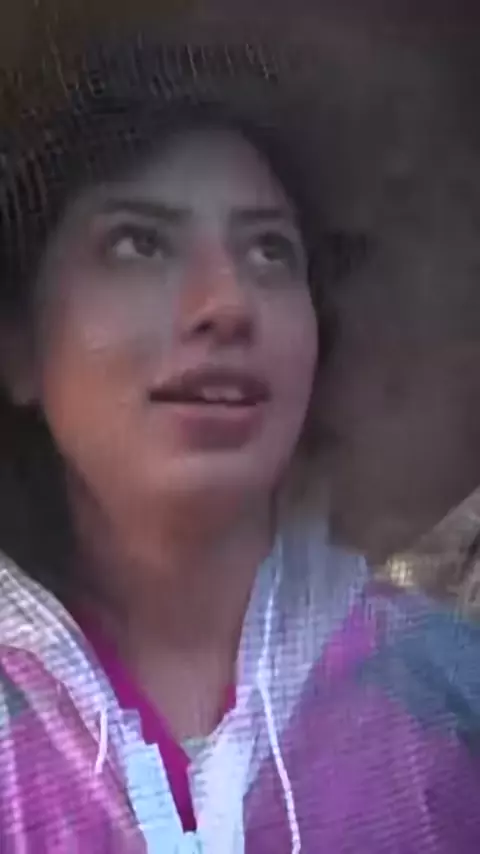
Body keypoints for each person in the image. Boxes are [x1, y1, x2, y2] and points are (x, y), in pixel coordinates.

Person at [0, 41, 479, 854]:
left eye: (270, 251)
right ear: (18, 346)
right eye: (138, 243)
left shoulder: (449, 702)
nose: (226, 303)